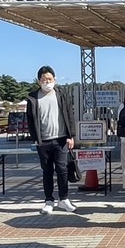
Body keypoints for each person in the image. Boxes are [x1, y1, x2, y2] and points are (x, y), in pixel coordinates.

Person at [24, 66, 79, 215]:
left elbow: (69, 114)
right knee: (47, 171)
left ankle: (64, 199)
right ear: (38, 81)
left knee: (62, 169)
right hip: (43, 141)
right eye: (44, 79)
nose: (47, 82)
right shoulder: (33, 98)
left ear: (55, 79)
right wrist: (35, 139)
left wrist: (71, 135)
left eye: (49, 79)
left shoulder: (61, 94)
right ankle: (49, 200)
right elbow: (30, 120)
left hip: (61, 139)